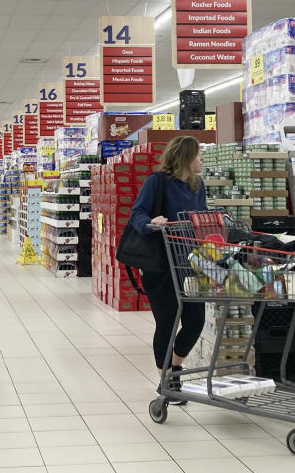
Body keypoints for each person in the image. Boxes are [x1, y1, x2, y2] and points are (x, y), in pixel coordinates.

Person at [128, 135, 206, 404]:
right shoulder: (156, 182)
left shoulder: (198, 186)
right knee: (168, 321)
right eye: (198, 154)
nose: (201, 159)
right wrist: (151, 222)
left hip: (191, 263)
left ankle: (176, 367)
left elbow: (201, 217)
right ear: (185, 157)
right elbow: (136, 213)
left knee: (196, 320)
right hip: (160, 263)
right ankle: (166, 380)